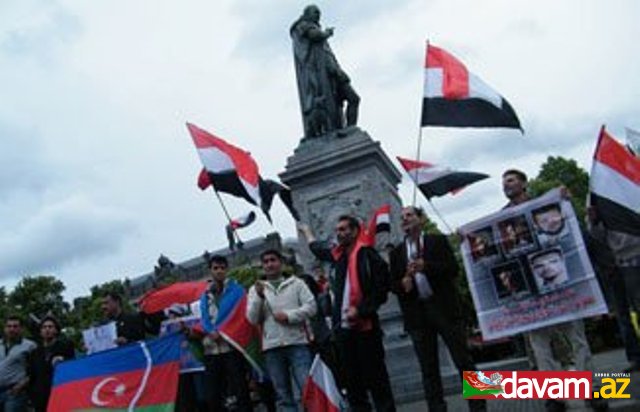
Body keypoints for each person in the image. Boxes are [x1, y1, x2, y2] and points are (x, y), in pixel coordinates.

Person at [500, 169, 607, 412]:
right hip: (532, 290)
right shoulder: (503, 217)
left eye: (511, 180)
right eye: (504, 182)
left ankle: (589, 389)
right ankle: (555, 397)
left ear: (524, 183)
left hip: (560, 284)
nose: (506, 185)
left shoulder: (546, 205)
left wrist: (564, 201)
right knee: (540, 344)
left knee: (576, 337)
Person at [389, 206, 485, 412]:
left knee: (463, 360)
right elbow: (393, 285)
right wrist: (403, 283)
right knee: (428, 367)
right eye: (402, 217)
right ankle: (437, 407)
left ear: (421, 219)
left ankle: (479, 405)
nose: (405, 219)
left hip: (444, 308)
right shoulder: (397, 252)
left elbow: (453, 269)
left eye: (409, 215)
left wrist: (427, 266)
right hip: (417, 313)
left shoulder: (437, 241)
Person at [299, 216, 396, 412]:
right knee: (354, 382)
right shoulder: (341, 257)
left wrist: (362, 310)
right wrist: (307, 232)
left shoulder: (369, 255)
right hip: (348, 329)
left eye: (344, 229)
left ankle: (477, 398)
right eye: (338, 230)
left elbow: (382, 287)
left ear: (355, 230)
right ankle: (451, 404)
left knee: (464, 360)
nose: (339, 234)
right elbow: (319, 249)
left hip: (449, 314)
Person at [247, 250, 316, 412]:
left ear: (281, 263)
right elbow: (252, 319)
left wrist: (289, 316)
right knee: (282, 394)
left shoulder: (297, 283)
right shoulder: (255, 289)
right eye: (265, 262)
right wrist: (258, 298)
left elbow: (312, 307)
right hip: (272, 347)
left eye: (273, 260)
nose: (269, 264)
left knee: (307, 388)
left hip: (297, 342)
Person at [290, 4, 360, 138]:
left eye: (319, 14)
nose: (318, 16)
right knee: (341, 103)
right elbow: (314, 35)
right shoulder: (303, 26)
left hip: (334, 72)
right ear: (306, 14)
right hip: (322, 77)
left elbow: (327, 53)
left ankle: (349, 130)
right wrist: (326, 33)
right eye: (315, 13)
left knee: (354, 99)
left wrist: (338, 70)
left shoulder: (319, 37)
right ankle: (344, 131)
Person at [196, 254, 252, 412]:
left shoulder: (237, 291)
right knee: (213, 394)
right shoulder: (204, 296)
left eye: (222, 268)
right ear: (210, 271)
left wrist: (223, 332)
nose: (219, 271)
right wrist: (211, 331)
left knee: (240, 389)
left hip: (232, 346)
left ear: (227, 269)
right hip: (211, 349)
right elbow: (204, 318)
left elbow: (241, 317)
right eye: (215, 268)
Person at [588, 205, 640, 372]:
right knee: (622, 314)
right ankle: (635, 357)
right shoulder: (595, 201)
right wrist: (594, 221)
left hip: (634, 258)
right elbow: (595, 237)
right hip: (613, 265)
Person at [28, 316, 75, 412]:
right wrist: (32, 396)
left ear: (56, 330)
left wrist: (64, 360)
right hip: (40, 397)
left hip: (59, 393)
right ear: (40, 331)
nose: (47, 329)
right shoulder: (35, 352)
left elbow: (74, 367)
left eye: (50, 327)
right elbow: (32, 375)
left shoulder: (66, 347)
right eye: (44, 327)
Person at [0, 316, 36, 412]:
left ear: (21, 329)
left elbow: (36, 369)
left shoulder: (30, 346)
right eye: (9, 326)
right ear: (5, 328)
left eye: (15, 326)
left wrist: (22, 385)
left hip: (14, 392)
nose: (12, 329)